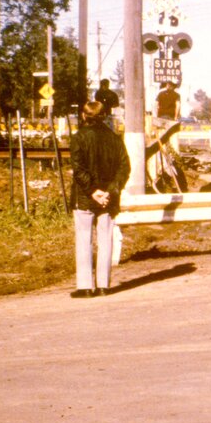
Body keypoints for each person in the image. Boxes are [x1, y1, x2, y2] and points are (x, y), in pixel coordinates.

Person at [70, 101, 131, 298]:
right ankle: (104, 286)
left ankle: (85, 287)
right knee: (106, 239)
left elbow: (78, 169)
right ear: (104, 116)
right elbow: (124, 168)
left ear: (83, 115)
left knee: (84, 238)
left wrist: (92, 191)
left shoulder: (79, 137)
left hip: (85, 197)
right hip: (109, 197)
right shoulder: (115, 139)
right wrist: (110, 191)